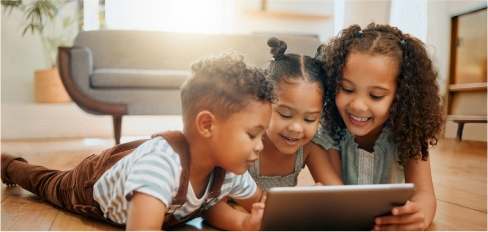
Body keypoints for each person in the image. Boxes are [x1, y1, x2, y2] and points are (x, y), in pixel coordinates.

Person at [1, 51, 277, 231]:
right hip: (90, 185)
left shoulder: (230, 167)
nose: (260, 145)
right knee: (46, 183)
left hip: (138, 159)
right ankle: (10, 165)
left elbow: (267, 210)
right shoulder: (161, 166)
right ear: (206, 125)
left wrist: (249, 222)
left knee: (212, 201)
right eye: (252, 135)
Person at [313, 22, 446, 230]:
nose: (357, 105)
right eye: (347, 89)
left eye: (375, 96)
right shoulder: (326, 133)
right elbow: (339, 199)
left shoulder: (408, 133)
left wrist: (419, 215)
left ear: (401, 97)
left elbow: (425, 193)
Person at [247, 37, 343, 191]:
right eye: (285, 115)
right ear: (263, 103)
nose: (297, 128)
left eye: (309, 119)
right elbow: (215, 205)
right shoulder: (246, 142)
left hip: (276, 214)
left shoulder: (309, 148)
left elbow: (338, 194)